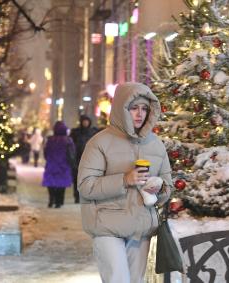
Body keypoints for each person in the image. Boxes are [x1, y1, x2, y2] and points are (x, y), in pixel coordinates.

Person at [78, 82, 173, 283]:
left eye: (144, 109)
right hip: (107, 226)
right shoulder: (99, 142)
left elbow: (167, 187)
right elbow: (86, 186)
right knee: (118, 280)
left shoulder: (155, 144)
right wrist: (124, 180)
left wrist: (159, 187)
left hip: (140, 228)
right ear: (122, 109)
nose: (139, 114)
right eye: (134, 108)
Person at [42, 121, 75, 208]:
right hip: (64, 165)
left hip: (51, 165)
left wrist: (49, 159)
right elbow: (72, 153)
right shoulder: (68, 140)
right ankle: (59, 202)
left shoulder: (50, 140)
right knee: (61, 184)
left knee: (51, 183)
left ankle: (51, 199)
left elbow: (46, 152)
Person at [69, 115, 98, 203]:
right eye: (84, 121)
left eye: (87, 121)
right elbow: (71, 146)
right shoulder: (75, 132)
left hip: (90, 160)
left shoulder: (93, 132)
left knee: (88, 179)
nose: (85, 123)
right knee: (77, 179)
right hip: (77, 159)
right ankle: (77, 196)